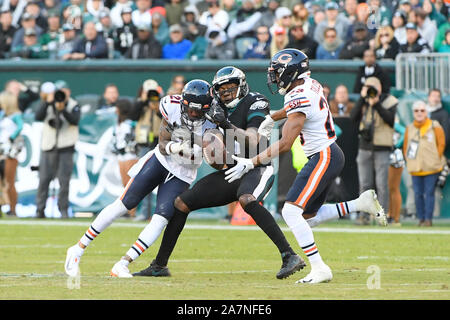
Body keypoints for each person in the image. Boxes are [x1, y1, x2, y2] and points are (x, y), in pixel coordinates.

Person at [227, 49, 387, 284]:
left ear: (292, 72)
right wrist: (274, 117)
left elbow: (285, 143)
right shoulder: (309, 84)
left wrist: (251, 162)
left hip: (323, 156)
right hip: (328, 153)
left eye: (278, 73)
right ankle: (359, 203)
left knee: (290, 212)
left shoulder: (298, 95)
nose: (274, 78)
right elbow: (295, 109)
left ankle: (319, 268)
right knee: (307, 216)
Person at [133, 66, 306, 280]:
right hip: (231, 168)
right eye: (222, 91)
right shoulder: (213, 106)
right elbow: (205, 141)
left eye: (230, 89)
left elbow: (253, 140)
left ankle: (289, 255)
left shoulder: (255, 102)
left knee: (246, 198)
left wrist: (224, 122)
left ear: (241, 87)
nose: (226, 94)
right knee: (181, 204)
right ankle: (159, 265)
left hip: (256, 166)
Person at [64, 79, 215, 277]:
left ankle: (123, 263)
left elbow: (216, 157)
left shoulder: (214, 120)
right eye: (190, 109)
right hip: (160, 160)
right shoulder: (172, 106)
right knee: (124, 204)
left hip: (183, 174)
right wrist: (174, 147)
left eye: (198, 110)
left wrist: (206, 150)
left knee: (161, 219)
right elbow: (162, 143)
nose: (194, 114)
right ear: (183, 102)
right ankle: (77, 249)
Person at [350, 76, 397, 225]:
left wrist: (376, 104)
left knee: (382, 185)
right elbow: (353, 117)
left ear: (379, 88)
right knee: (364, 184)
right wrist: (362, 99)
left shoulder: (390, 101)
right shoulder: (364, 101)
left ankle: (381, 215)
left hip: (382, 147)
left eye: (372, 88)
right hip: (364, 146)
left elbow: (390, 120)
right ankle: (363, 216)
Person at [34, 80, 80, 219]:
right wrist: (48, 103)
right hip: (48, 146)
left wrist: (63, 109)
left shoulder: (73, 104)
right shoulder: (49, 103)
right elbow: (38, 116)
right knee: (43, 180)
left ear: (68, 92)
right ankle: (40, 210)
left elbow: (74, 120)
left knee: (64, 181)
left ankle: (63, 210)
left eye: (63, 92)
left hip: (66, 147)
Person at [403, 101, 446, 227]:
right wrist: (410, 161)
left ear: (426, 112)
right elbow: (406, 147)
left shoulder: (435, 126)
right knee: (417, 194)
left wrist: (435, 158)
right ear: (413, 113)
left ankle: (428, 219)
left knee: (430, 193)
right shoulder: (409, 128)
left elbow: (441, 143)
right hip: (415, 168)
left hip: (431, 167)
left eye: (422, 110)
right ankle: (420, 218)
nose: (419, 113)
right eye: (417, 111)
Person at [129, 79, 164, 221]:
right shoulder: (140, 104)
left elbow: (165, 118)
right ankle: (144, 212)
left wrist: (156, 106)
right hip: (144, 143)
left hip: (159, 141)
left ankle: (158, 212)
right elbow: (132, 116)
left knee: (161, 178)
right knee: (144, 178)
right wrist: (142, 101)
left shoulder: (162, 103)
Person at [111, 98, 138, 218]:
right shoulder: (118, 123)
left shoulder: (130, 123)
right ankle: (127, 210)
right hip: (120, 155)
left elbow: (132, 139)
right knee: (124, 184)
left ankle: (132, 211)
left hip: (129, 155)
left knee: (130, 183)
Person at [0, 91, 23, 217]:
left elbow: (20, 127)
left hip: (10, 152)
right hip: (0, 150)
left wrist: (11, 138)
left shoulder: (16, 115)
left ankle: (13, 209)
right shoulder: (2, 115)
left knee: (9, 182)